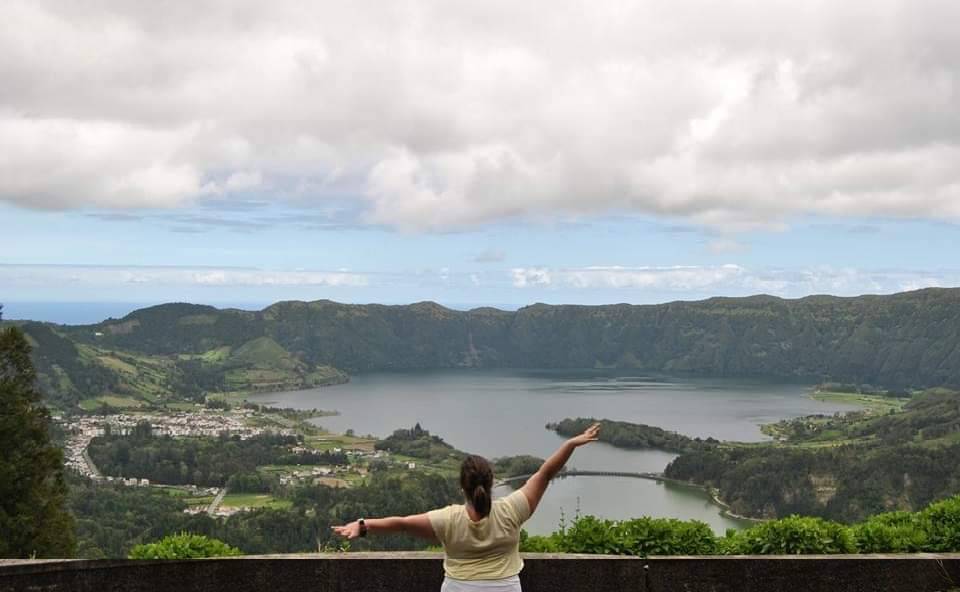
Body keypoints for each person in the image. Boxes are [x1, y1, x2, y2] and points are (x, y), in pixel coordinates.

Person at [332, 423, 601, 591]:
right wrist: (570, 444)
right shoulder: (512, 510)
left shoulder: (447, 520)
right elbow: (544, 473)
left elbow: (401, 523)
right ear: (492, 482)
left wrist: (363, 526)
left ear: (462, 487)